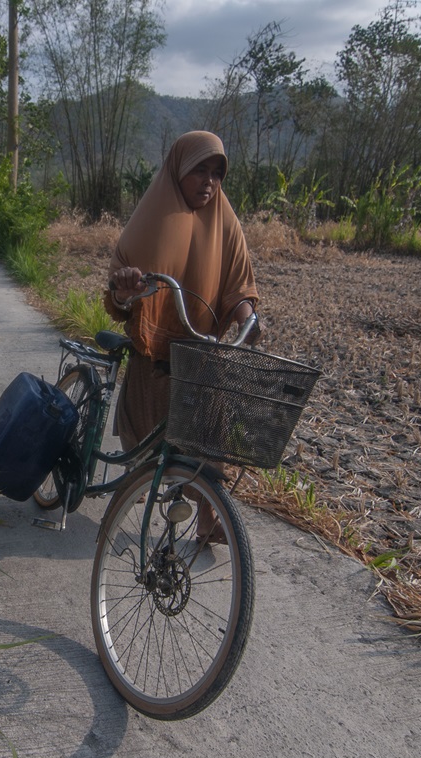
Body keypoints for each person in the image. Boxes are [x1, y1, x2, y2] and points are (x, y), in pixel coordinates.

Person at [104, 130, 262, 544]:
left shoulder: (226, 223)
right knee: (145, 445)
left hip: (200, 353)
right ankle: (133, 487)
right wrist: (125, 288)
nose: (209, 181)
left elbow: (239, 287)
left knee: (209, 441)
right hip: (154, 351)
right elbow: (120, 294)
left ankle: (207, 518)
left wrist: (248, 319)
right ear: (178, 170)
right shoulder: (152, 219)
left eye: (217, 173)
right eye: (199, 170)